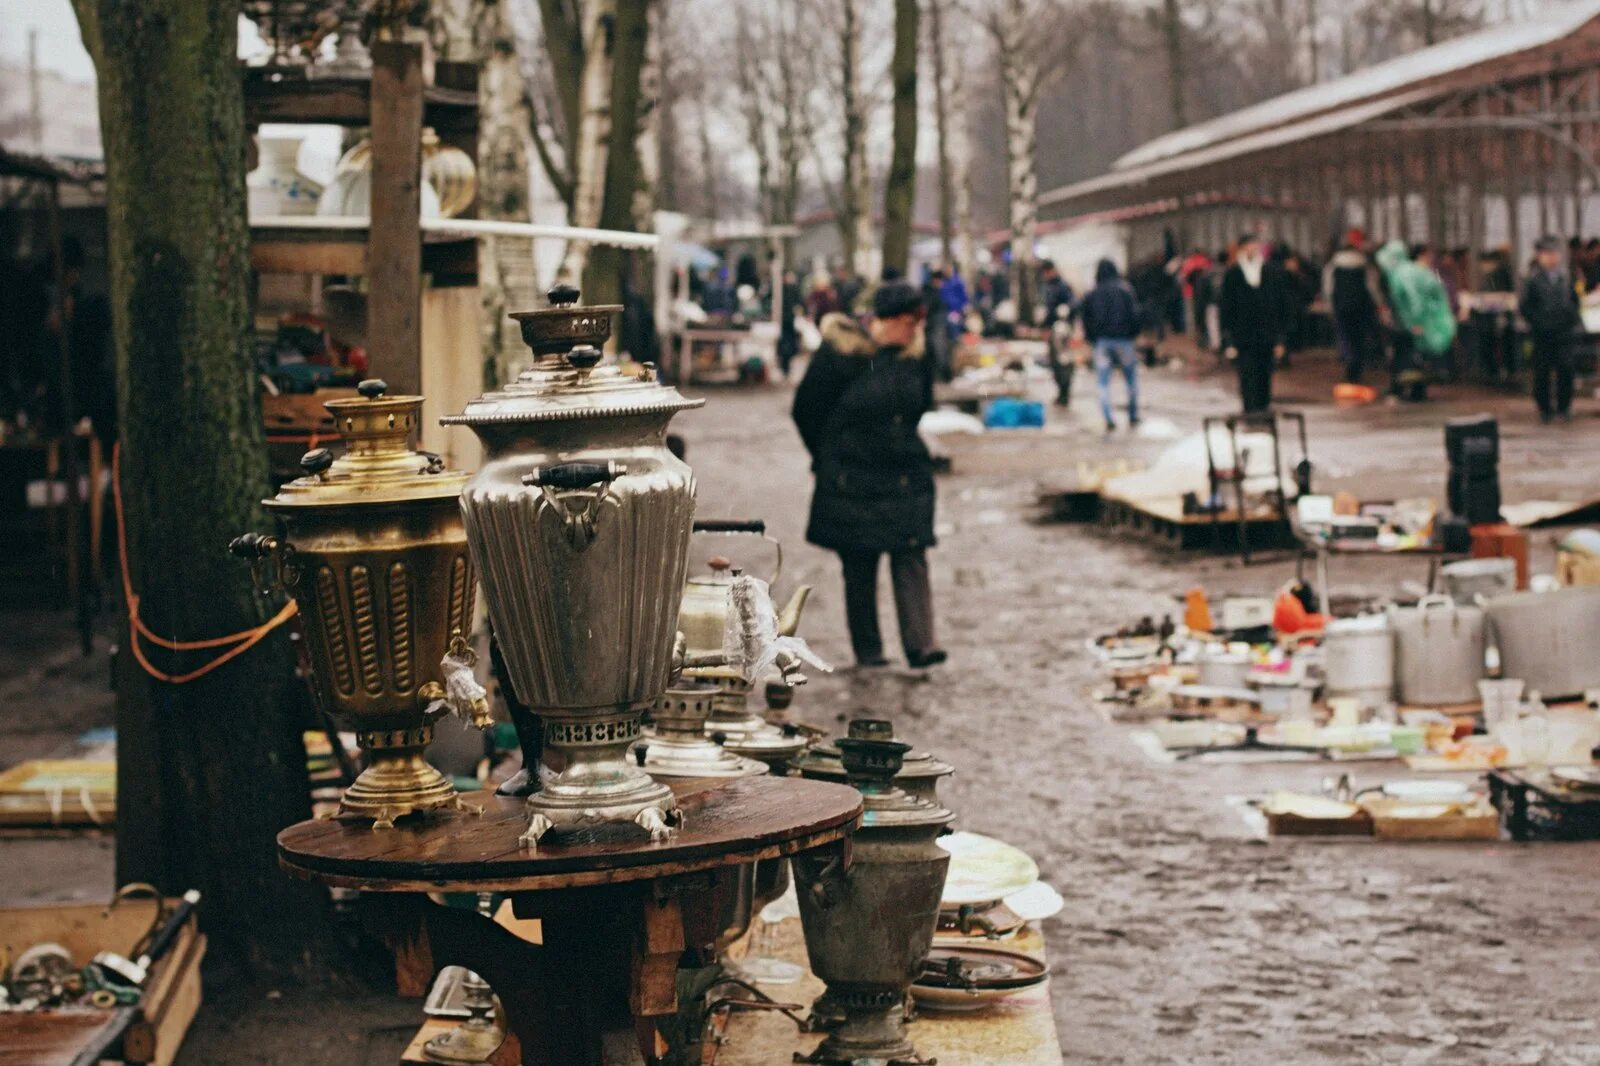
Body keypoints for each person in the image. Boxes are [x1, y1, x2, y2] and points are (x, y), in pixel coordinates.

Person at [792, 281, 945, 669]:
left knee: (911, 550)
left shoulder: (914, 357)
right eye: (910, 322)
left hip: (903, 471)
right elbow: (806, 409)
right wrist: (829, 455)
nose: (915, 330)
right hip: (853, 474)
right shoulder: (841, 355)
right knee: (860, 561)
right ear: (889, 320)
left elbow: (922, 403)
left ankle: (921, 645)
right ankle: (869, 651)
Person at [1374, 241, 1455, 403]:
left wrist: (1415, 322)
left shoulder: (1402, 275)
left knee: (1409, 356)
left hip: (1413, 323)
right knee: (1414, 355)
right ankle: (1411, 388)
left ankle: (1412, 390)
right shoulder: (1409, 272)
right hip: (1419, 321)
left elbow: (1413, 300)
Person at [1219, 234, 1289, 414]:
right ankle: (1250, 409)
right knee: (1247, 373)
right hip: (1243, 335)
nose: (1252, 248)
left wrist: (1280, 338)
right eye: (1249, 245)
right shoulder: (1233, 274)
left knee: (1265, 373)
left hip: (1267, 334)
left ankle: (1263, 407)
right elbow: (1226, 308)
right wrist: (1228, 340)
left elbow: (1280, 305)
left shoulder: (1270, 272)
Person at [1519, 235, 1583, 423]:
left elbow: (1575, 302)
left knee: (1566, 369)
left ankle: (1564, 407)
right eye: (1546, 254)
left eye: (1553, 253)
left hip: (1564, 334)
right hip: (1542, 334)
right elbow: (1525, 307)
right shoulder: (1533, 280)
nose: (1551, 257)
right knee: (1542, 372)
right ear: (1539, 257)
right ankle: (1545, 409)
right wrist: (1539, 323)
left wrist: (1570, 319)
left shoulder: (1566, 278)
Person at [1077, 258, 1142, 431]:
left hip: (1103, 342)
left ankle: (1108, 417)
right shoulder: (1126, 290)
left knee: (1103, 382)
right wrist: (1133, 334)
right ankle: (1133, 415)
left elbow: (1086, 319)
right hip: (1124, 341)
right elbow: (1135, 315)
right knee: (1131, 380)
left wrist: (1092, 339)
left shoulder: (1092, 293)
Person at [1322, 228, 1386, 384]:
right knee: (1359, 338)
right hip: (1362, 307)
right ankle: (1357, 365)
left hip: (1341, 307)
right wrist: (1380, 303)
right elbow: (1372, 287)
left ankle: (1348, 359)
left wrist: (1330, 307)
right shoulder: (1364, 264)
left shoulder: (1333, 265)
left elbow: (1328, 288)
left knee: (1344, 336)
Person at [1038, 260, 1077, 406]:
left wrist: (1065, 310)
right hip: (1052, 332)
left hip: (1062, 333)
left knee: (1063, 363)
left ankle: (1064, 394)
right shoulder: (1048, 287)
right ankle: (1061, 393)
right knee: (1055, 364)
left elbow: (1073, 304)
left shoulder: (1062, 286)